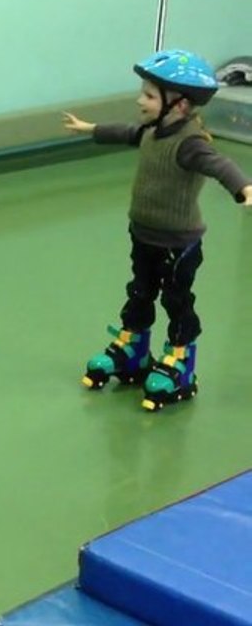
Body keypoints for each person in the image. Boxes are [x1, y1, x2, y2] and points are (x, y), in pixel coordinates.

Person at [63, 49, 252, 411]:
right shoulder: (153, 131)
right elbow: (127, 132)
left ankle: (181, 362)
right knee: (140, 291)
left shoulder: (190, 144)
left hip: (178, 243)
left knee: (176, 301)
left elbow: (219, 165)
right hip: (144, 233)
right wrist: (91, 129)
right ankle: (133, 350)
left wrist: (243, 187)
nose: (140, 101)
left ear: (180, 105)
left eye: (149, 96)